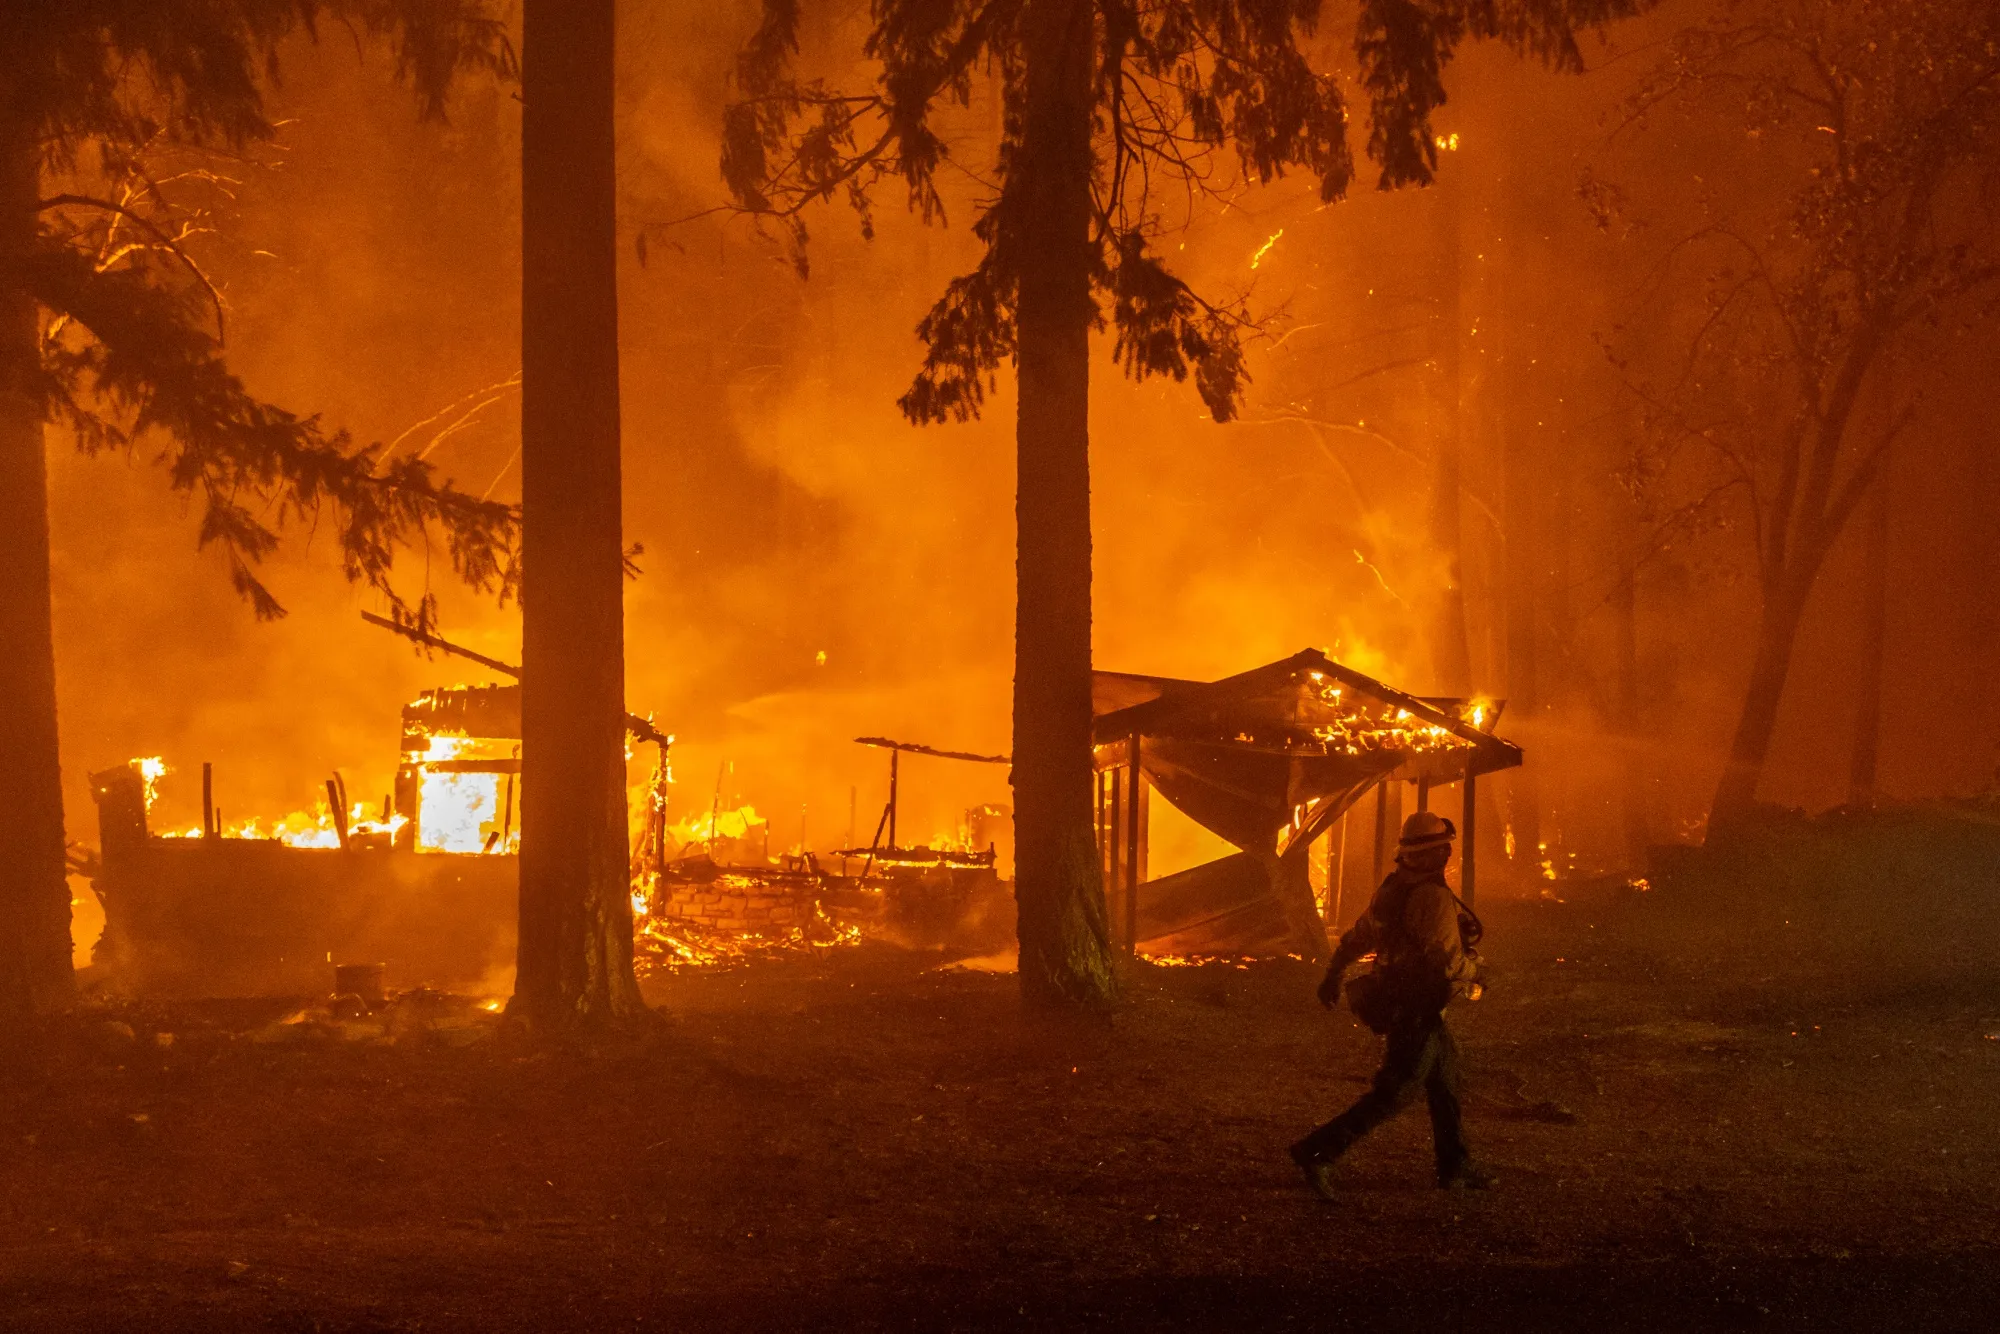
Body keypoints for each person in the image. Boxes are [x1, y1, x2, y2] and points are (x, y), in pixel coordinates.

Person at [1290, 809, 1494, 1196]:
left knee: (1446, 1081)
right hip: (1417, 1005)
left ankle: (1455, 1165)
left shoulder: (1393, 889)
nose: (1448, 855)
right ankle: (1317, 1152)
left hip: (1406, 1001)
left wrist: (1333, 974)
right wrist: (1480, 974)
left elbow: (1358, 936)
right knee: (1396, 1092)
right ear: (1435, 854)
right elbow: (1447, 960)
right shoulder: (1431, 897)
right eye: (1444, 849)